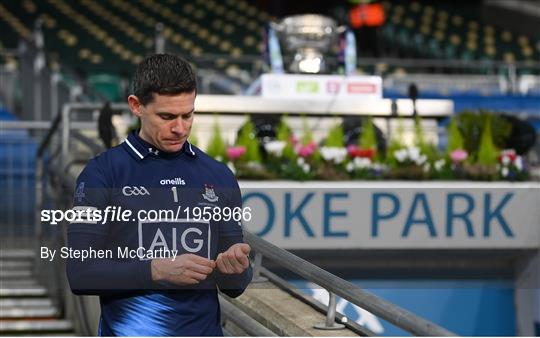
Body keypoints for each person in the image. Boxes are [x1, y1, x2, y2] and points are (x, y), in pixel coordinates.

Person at [67, 53, 252, 336]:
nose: (180, 128)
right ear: (136, 106)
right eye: (166, 116)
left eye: (187, 115)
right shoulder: (101, 173)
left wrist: (235, 268)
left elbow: (235, 287)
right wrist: (156, 271)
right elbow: (80, 273)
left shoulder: (219, 175)